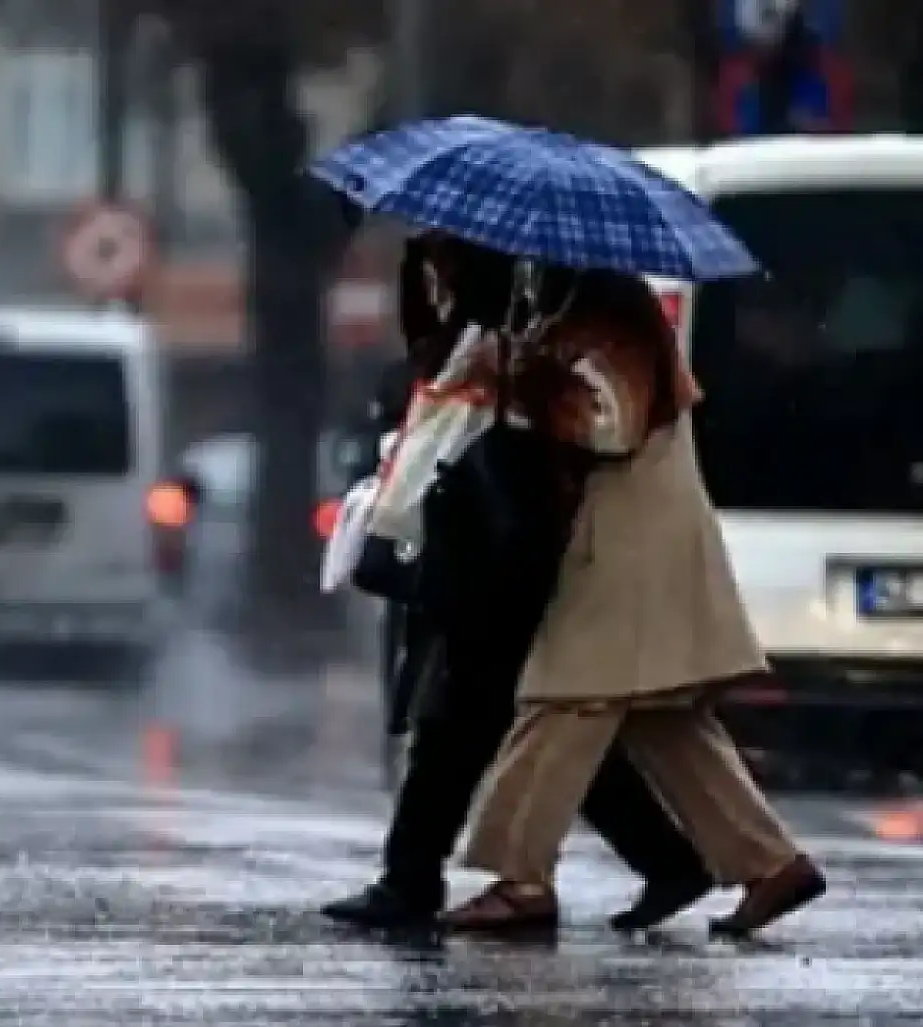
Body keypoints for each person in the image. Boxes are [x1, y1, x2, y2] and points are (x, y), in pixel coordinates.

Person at [322, 235, 713, 932]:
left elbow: (606, 421)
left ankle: (418, 877)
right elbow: (437, 374)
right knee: (515, 719)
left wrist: (522, 378)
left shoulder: (597, 307)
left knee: (473, 716)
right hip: (485, 530)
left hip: (521, 537)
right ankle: (661, 858)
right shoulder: (520, 305)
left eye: (448, 257)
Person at [442, 263, 826, 937]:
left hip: (628, 540)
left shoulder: (613, 317)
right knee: (663, 716)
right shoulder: (583, 312)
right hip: (637, 532)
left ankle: (520, 877)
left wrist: (519, 380)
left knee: (562, 699)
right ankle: (771, 864)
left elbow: (610, 427)